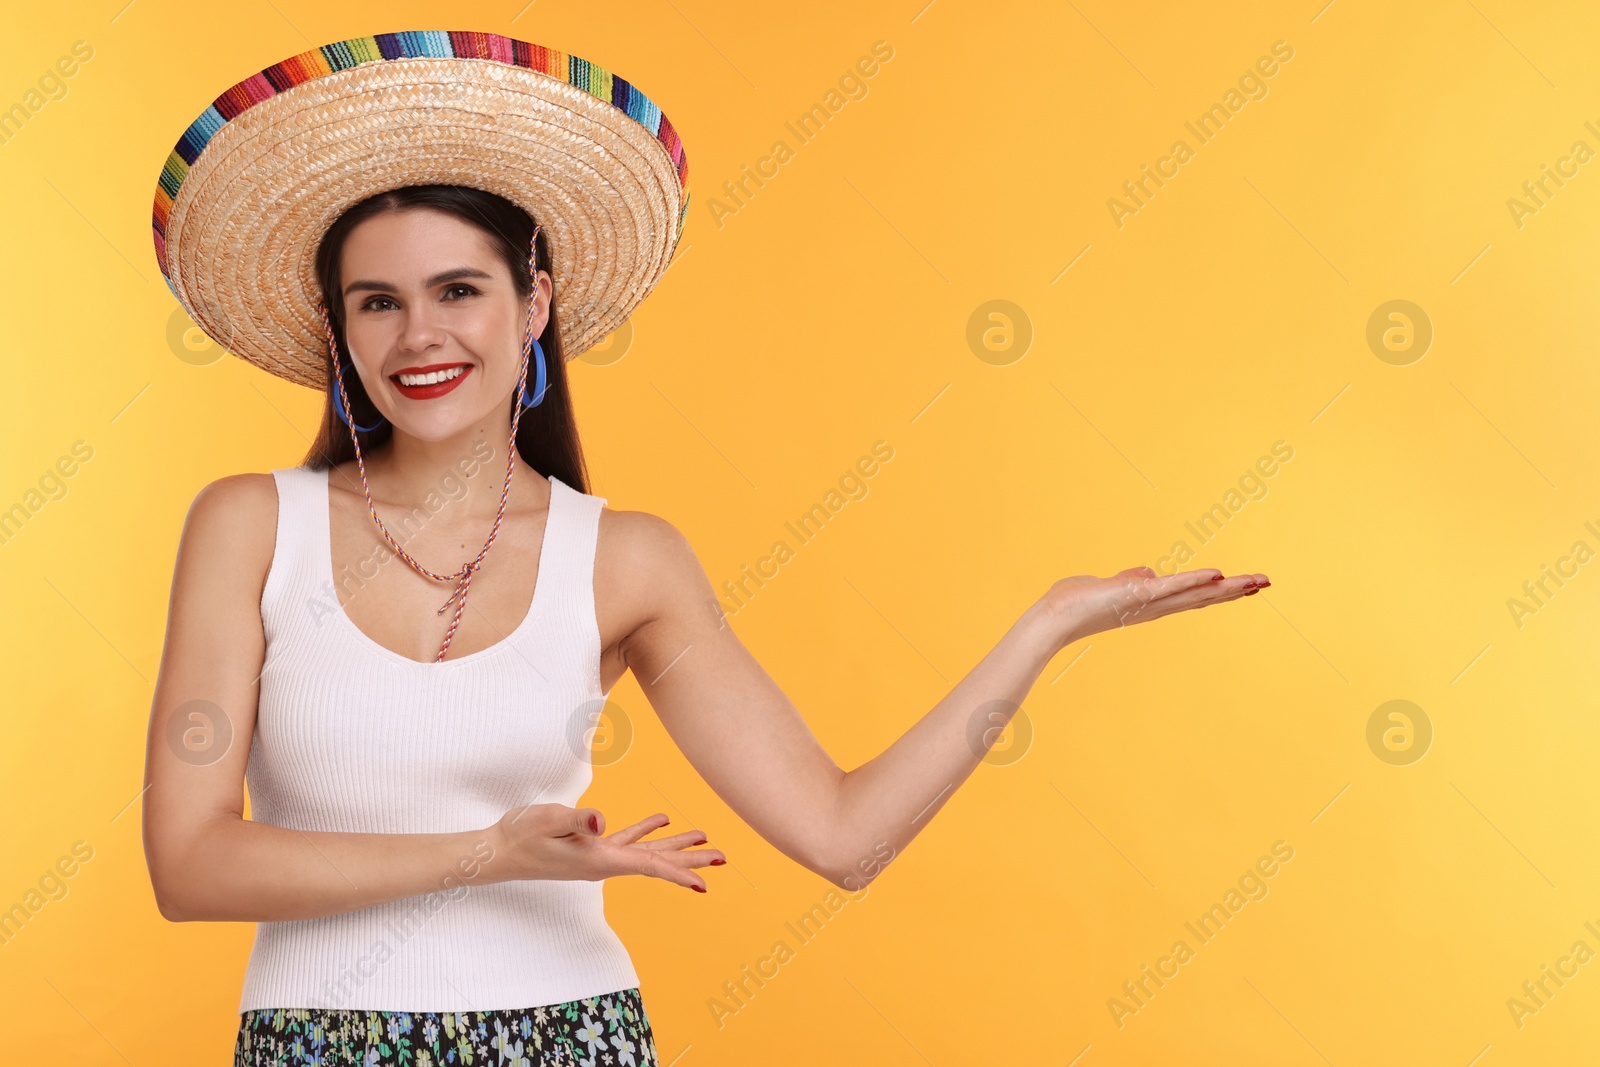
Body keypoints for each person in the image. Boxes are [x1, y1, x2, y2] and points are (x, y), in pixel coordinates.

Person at [141, 30, 1269, 1067]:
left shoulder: (625, 560)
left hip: (570, 1036)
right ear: (340, 329)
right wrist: (485, 852)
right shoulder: (249, 527)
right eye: (376, 301)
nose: (419, 334)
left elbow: (842, 836)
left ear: (536, 302)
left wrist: (1046, 627)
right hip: (315, 1042)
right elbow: (189, 864)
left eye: (459, 290)